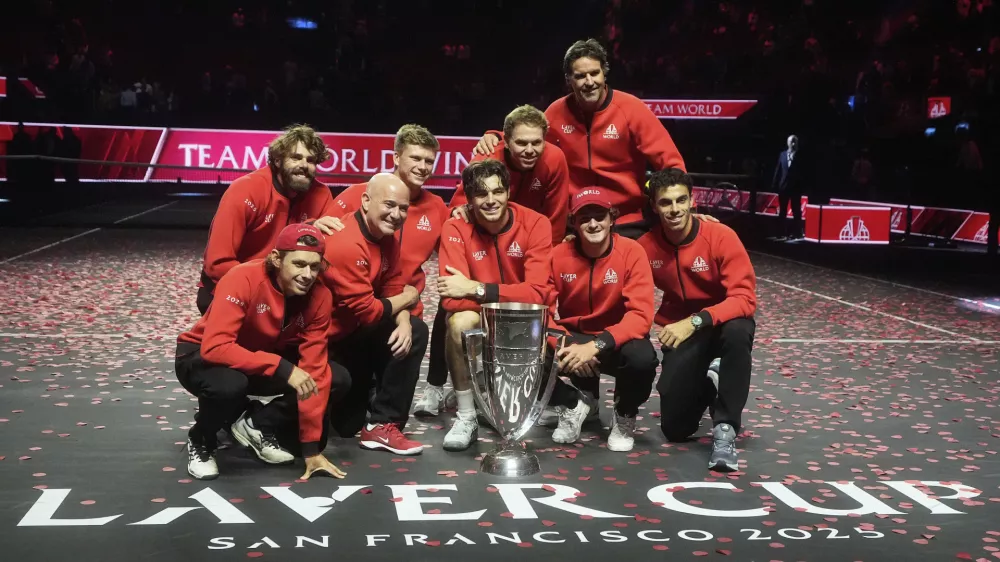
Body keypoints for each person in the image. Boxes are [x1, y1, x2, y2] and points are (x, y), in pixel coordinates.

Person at [417, 106, 570, 416]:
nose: (529, 149)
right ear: (506, 141)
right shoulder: (487, 157)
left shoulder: (555, 160)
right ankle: (435, 385)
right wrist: (463, 214)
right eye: (521, 142)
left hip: (529, 236)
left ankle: (543, 391)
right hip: (485, 236)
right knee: (452, 305)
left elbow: (555, 216)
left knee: (530, 304)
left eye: (536, 143)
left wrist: (544, 266)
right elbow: (462, 202)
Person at [175, 223, 349, 481]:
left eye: (314, 266)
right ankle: (201, 439)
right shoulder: (242, 277)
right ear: (277, 259)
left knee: (336, 377)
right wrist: (282, 368)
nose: (307, 274)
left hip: (256, 357)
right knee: (230, 385)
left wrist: (311, 450)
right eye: (299, 264)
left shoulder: (320, 296)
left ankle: (255, 423)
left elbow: (314, 368)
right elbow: (216, 347)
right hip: (201, 356)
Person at [472, 38, 685, 239]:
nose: (589, 82)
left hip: (626, 220)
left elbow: (670, 163)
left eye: (595, 73)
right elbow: (528, 136)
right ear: (569, 80)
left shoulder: (632, 109)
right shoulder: (556, 112)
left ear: (604, 74)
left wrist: (688, 209)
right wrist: (496, 136)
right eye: (581, 76)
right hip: (574, 221)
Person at [323, 125, 457, 418]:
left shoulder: (437, 207)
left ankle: (384, 421)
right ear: (396, 157)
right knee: (347, 418)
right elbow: (320, 237)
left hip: (400, 314)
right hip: (352, 313)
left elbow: (456, 248)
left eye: (429, 161)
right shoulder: (360, 194)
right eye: (415, 158)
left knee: (389, 389)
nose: (423, 167)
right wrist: (313, 225)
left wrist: (465, 216)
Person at [637, 169, 757, 472]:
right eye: (666, 202)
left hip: (721, 323)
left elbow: (744, 299)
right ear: (654, 206)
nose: (674, 209)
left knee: (739, 330)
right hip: (684, 332)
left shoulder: (721, 236)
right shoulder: (646, 246)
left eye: (681, 200)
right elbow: (614, 256)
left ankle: (725, 429)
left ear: (693, 200)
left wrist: (695, 321)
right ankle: (712, 379)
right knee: (676, 429)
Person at [436, 159, 554, 451]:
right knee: (458, 322)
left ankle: (491, 389)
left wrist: (475, 288)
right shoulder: (455, 227)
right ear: (469, 198)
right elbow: (451, 297)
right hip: (484, 317)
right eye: (481, 194)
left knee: (516, 408)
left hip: (527, 321)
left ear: (509, 192)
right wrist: (512, 294)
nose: (491, 200)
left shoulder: (536, 223)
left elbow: (538, 294)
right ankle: (466, 416)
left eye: (498, 191)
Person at [321, 173, 427, 456]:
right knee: (346, 425)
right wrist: (410, 297)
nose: (396, 215)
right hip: (328, 344)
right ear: (366, 201)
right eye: (389, 205)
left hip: (356, 333)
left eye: (403, 208)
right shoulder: (345, 243)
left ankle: (383, 424)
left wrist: (404, 321)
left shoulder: (386, 238)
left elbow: (393, 287)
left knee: (415, 329)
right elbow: (369, 311)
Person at [544, 188, 658, 451]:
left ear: (612, 218)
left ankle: (625, 413)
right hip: (575, 338)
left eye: (600, 216)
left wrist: (595, 346)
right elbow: (543, 311)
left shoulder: (632, 251)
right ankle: (575, 403)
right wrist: (568, 344)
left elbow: (641, 316)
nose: (593, 224)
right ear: (574, 222)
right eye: (585, 218)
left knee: (642, 358)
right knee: (530, 349)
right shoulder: (558, 255)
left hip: (616, 340)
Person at [196, 124, 343, 314]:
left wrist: (311, 229)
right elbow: (217, 264)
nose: (304, 165)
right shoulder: (246, 190)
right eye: (296, 157)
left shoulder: (322, 195)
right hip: (234, 286)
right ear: (278, 160)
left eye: (311, 160)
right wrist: (267, 292)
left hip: (288, 289)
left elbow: (327, 260)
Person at [772, 135, 805, 239]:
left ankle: (797, 232)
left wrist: (803, 187)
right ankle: (781, 232)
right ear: (788, 143)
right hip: (783, 187)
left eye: (795, 142)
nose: (793, 144)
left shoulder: (801, 156)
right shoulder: (782, 155)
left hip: (796, 188)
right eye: (792, 142)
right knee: (782, 211)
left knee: (796, 211)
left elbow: (804, 173)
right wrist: (774, 184)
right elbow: (778, 170)